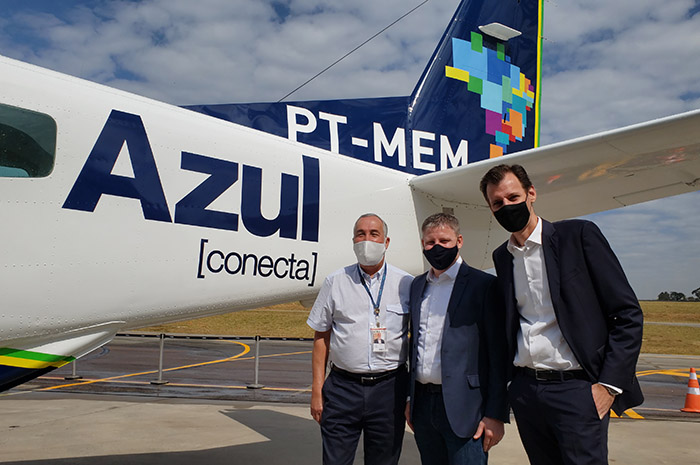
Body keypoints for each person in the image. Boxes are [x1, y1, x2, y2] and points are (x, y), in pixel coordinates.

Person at [479, 164, 644, 465]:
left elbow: (627, 314)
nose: (506, 207)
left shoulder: (578, 236)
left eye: (513, 197)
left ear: (531, 194)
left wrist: (608, 386)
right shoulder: (502, 257)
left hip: (577, 390)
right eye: (497, 203)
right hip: (527, 392)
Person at [307, 213, 413, 465]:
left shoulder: (406, 283)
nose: (366, 240)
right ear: (353, 241)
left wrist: (410, 395)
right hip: (343, 388)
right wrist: (316, 390)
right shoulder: (336, 281)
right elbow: (321, 336)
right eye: (360, 234)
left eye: (373, 234)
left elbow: (417, 339)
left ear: (386, 242)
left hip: (389, 389)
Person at [406, 212, 509, 465]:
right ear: (422, 244)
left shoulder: (483, 285)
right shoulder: (418, 286)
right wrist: (410, 398)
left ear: (459, 241)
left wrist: (496, 414)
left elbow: (498, 354)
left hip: (467, 409)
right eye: (430, 242)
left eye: (445, 240)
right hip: (422, 405)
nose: (437, 247)